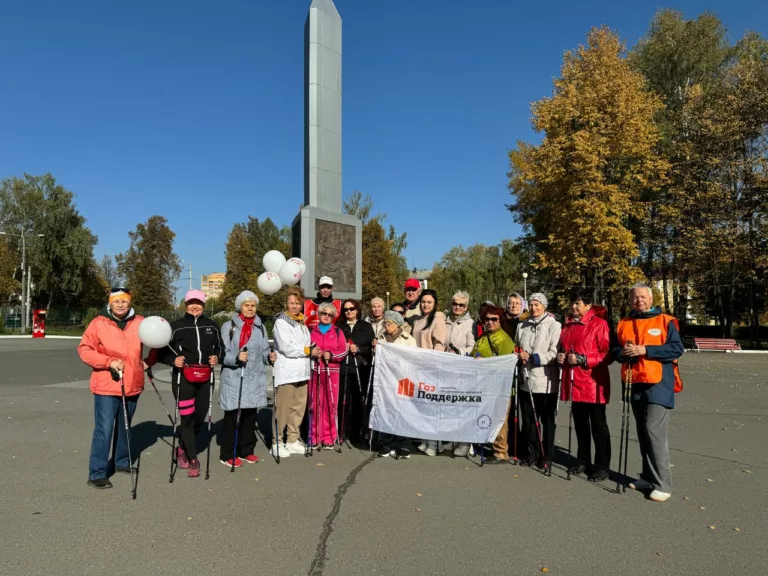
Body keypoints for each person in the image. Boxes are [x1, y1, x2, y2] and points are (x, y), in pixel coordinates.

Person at [613, 282, 684, 502]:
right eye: (635, 297)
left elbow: (676, 348)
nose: (639, 300)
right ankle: (647, 477)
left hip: (659, 384)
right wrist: (623, 352)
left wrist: (646, 350)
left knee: (654, 431)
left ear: (652, 299)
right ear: (629, 300)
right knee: (643, 432)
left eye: (643, 297)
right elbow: (614, 351)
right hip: (634, 382)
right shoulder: (623, 323)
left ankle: (663, 484)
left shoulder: (666, 321)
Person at [77, 288, 145, 489]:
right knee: (104, 429)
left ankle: (121, 462)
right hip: (106, 385)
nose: (121, 305)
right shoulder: (98, 323)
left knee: (125, 427)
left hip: (132, 383)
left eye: (124, 301)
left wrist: (149, 362)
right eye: (117, 302)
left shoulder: (140, 322)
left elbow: (158, 342)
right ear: (110, 304)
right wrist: (108, 362)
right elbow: (84, 349)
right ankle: (97, 473)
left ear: (130, 303)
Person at [158, 289, 221, 478]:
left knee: (199, 418)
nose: (195, 306)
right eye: (191, 303)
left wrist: (216, 357)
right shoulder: (175, 326)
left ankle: (182, 447)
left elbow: (219, 348)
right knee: (186, 418)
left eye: (199, 303)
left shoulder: (212, 325)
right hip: (182, 379)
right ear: (185, 304)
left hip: (204, 378)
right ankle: (193, 458)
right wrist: (172, 360)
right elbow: (162, 352)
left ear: (203, 305)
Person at [557, 292, 612, 481]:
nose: (573, 306)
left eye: (578, 303)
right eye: (572, 302)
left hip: (593, 382)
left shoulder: (599, 324)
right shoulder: (568, 324)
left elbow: (607, 354)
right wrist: (561, 356)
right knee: (580, 425)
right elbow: (563, 348)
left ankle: (602, 465)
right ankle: (583, 460)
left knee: (598, 426)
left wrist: (584, 359)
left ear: (588, 306)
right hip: (574, 381)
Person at [219, 291, 277, 467]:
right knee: (233, 417)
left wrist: (269, 357)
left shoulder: (260, 326)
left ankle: (246, 450)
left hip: (253, 378)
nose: (250, 308)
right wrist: (236, 358)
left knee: (250, 416)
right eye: (246, 305)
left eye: (253, 305)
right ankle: (227, 453)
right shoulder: (229, 326)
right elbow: (223, 353)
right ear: (239, 307)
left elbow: (265, 349)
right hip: (235, 377)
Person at [516, 293, 561, 469]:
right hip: (526, 380)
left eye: (537, 305)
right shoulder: (522, 326)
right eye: (532, 305)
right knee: (528, 421)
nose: (534, 308)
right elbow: (518, 346)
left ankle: (547, 455)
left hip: (546, 380)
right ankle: (532, 452)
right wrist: (519, 355)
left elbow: (553, 353)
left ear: (544, 306)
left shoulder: (554, 325)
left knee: (547, 420)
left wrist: (534, 357)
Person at [471, 304, 517, 463]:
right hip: (485, 385)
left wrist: (484, 363)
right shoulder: (483, 337)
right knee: (491, 417)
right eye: (487, 319)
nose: (490, 322)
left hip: (500, 387)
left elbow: (505, 364)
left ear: (500, 321)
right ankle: (494, 447)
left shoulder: (503, 339)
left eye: (494, 319)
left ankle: (501, 452)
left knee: (500, 420)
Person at [272, 286, 313, 457]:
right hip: (287, 372)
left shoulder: (302, 322)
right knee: (282, 408)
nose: (295, 306)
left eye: (297, 303)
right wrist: (307, 350)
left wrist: (308, 350)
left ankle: (292, 439)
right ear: (286, 304)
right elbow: (287, 347)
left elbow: (306, 345)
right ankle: (277, 441)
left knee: (298, 407)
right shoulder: (281, 322)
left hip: (302, 372)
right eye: (291, 303)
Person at [377, 310, 417, 459]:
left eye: (389, 323)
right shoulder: (380, 338)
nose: (386, 325)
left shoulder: (409, 339)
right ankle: (386, 443)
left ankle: (404, 444)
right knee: (387, 410)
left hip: (404, 379)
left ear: (398, 324)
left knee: (404, 410)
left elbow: (414, 359)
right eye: (385, 322)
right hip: (386, 380)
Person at [412, 289, 447, 456]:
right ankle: (426, 439)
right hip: (418, 367)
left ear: (435, 304)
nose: (426, 305)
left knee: (433, 405)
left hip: (431, 367)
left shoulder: (438, 319)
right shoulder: (418, 320)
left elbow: (440, 343)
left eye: (429, 302)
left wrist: (434, 363)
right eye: (423, 301)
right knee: (423, 405)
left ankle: (434, 441)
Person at [309, 302, 348, 449]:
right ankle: (314, 436)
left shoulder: (338, 331)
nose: (327, 316)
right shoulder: (311, 330)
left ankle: (329, 437)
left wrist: (331, 355)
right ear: (319, 314)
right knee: (315, 404)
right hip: (315, 370)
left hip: (332, 371)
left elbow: (343, 351)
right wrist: (312, 352)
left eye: (330, 314)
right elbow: (306, 348)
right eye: (324, 313)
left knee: (330, 404)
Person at [338, 299, 376, 445]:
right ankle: (343, 431)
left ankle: (357, 433)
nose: (349, 312)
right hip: (344, 368)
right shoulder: (339, 327)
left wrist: (358, 349)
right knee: (343, 401)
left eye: (352, 309)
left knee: (359, 402)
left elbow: (370, 348)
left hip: (360, 368)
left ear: (357, 310)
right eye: (346, 309)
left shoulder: (365, 326)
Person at [445, 291, 476, 457]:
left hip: (462, 369)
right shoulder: (446, 321)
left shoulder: (471, 323)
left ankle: (465, 442)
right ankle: (452, 438)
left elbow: (473, 346)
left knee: (462, 407)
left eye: (461, 305)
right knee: (450, 406)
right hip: (446, 369)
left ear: (466, 307)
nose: (457, 307)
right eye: (455, 304)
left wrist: (459, 351)